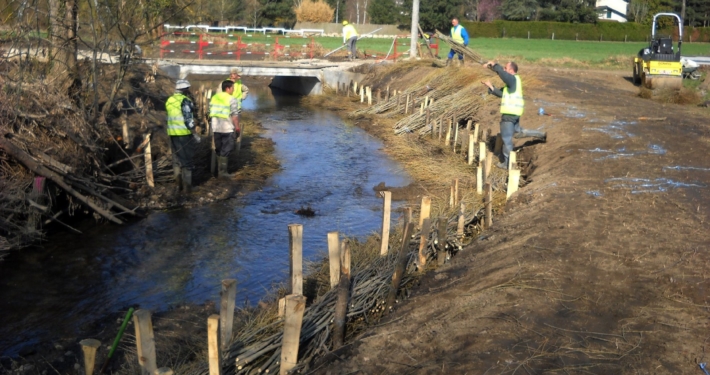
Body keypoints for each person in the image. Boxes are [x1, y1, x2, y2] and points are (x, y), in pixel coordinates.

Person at [482, 61, 546, 170]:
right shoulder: (513, 83)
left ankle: (507, 163)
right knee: (518, 132)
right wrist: (491, 86)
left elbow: (503, 74)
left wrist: (494, 65)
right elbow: (502, 93)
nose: (504, 69)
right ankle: (541, 134)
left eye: (506, 68)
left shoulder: (512, 79)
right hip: (515, 113)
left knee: (506, 139)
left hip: (509, 115)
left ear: (511, 71)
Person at [165, 79, 200, 192]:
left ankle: (178, 185)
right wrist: (194, 132)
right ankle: (187, 187)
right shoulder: (185, 101)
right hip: (184, 134)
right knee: (187, 160)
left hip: (172, 133)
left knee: (176, 158)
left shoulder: (169, 100)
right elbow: (188, 118)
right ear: (185, 89)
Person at [210, 80, 241, 178]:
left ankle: (219, 171)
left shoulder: (214, 97)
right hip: (227, 128)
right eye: (232, 88)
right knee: (226, 149)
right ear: (228, 88)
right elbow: (234, 115)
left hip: (216, 127)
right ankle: (223, 172)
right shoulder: (232, 99)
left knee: (219, 148)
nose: (233, 90)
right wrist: (237, 127)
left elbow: (209, 110)